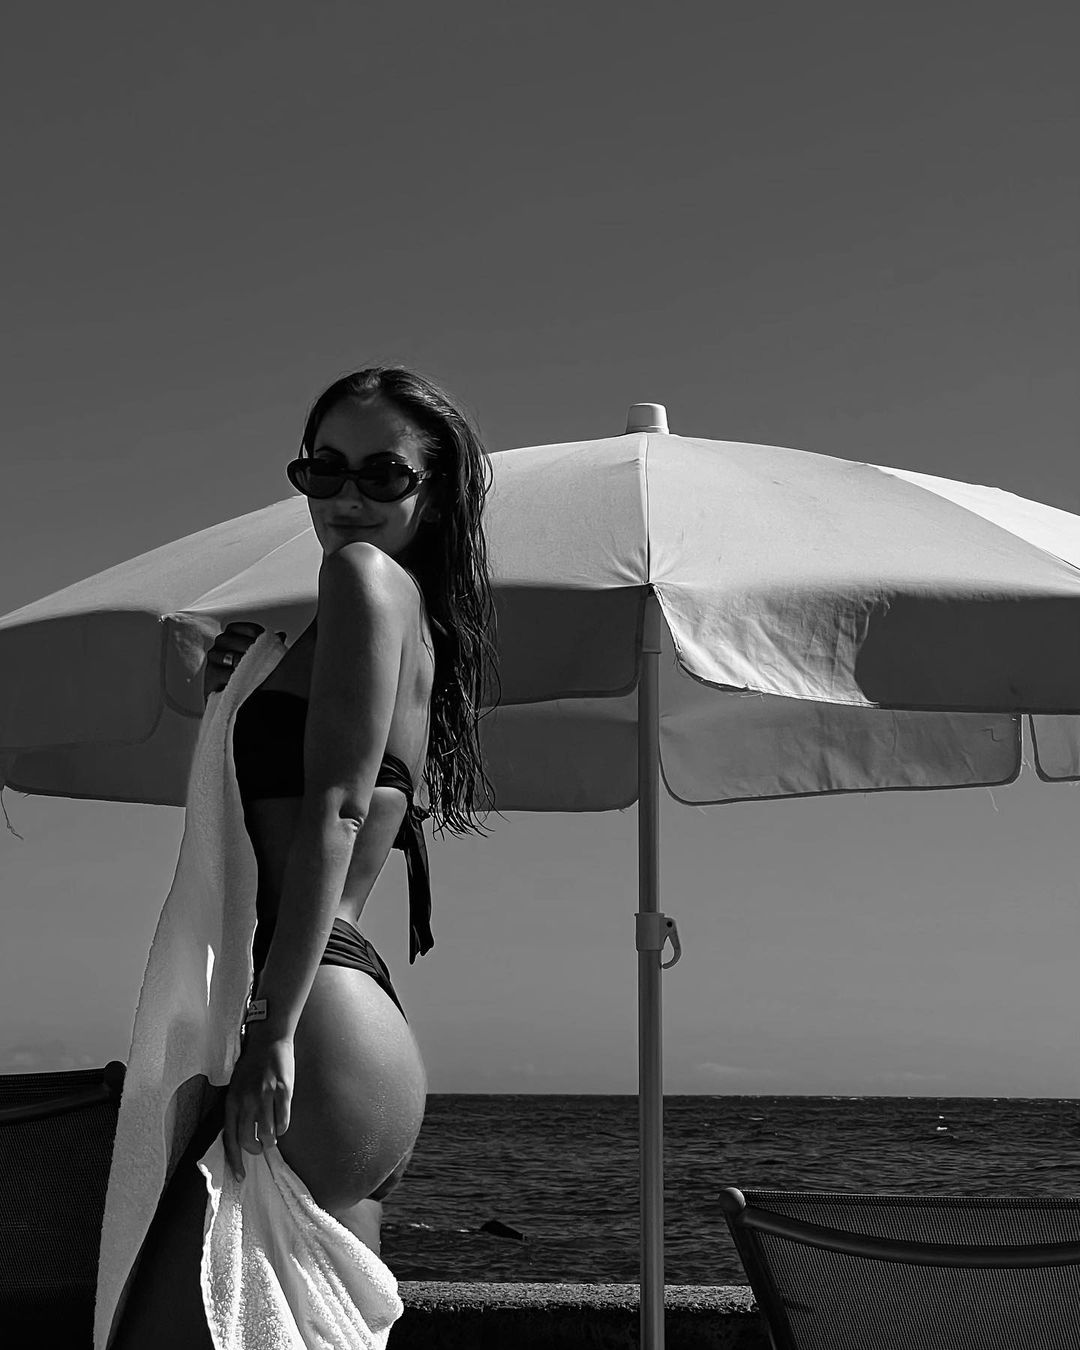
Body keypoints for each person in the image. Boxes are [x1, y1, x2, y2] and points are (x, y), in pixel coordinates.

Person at [109, 366, 498, 1348]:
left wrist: (268, 1031)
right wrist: (245, 687)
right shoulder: (405, 615)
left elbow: (335, 809)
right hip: (353, 1026)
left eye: (381, 474)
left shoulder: (360, 577)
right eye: (324, 471)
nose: (346, 498)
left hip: (308, 1020)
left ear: (433, 492)